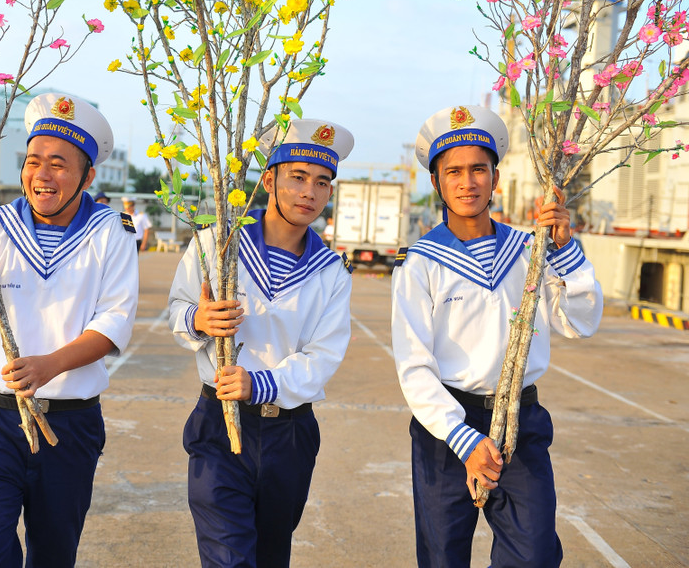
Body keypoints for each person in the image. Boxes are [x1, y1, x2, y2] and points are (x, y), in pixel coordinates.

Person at [390, 105, 603, 568]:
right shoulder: (419, 263)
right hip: (447, 429)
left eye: (478, 170)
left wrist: (565, 250)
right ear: (436, 183)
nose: (467, 182)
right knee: (443, 558)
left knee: (534, 555)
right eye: (454, 172)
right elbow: (414, 366)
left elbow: (580, 321)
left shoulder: (530, 248)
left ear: (495, 178)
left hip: (520, 420)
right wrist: (463, 439)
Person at [0, 91, 139, 568]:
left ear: (88, 176)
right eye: (33, 162)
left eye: (59, 164)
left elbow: (114, 322)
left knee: (53, 554)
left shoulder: (112, 232)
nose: (42, 175)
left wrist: (50, 365)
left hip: (68, 425)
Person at [168, 119, 355, 568]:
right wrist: (199, 319)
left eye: (321, 182)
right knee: (228, 558)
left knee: (271, 556)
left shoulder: (331, 271)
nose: (309, 192)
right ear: (268, 180)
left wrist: (261, 384)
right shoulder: (218, 243)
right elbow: (178, 311)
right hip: (220, 423)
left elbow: (323, 355)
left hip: (289, 434)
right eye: (298, 177)